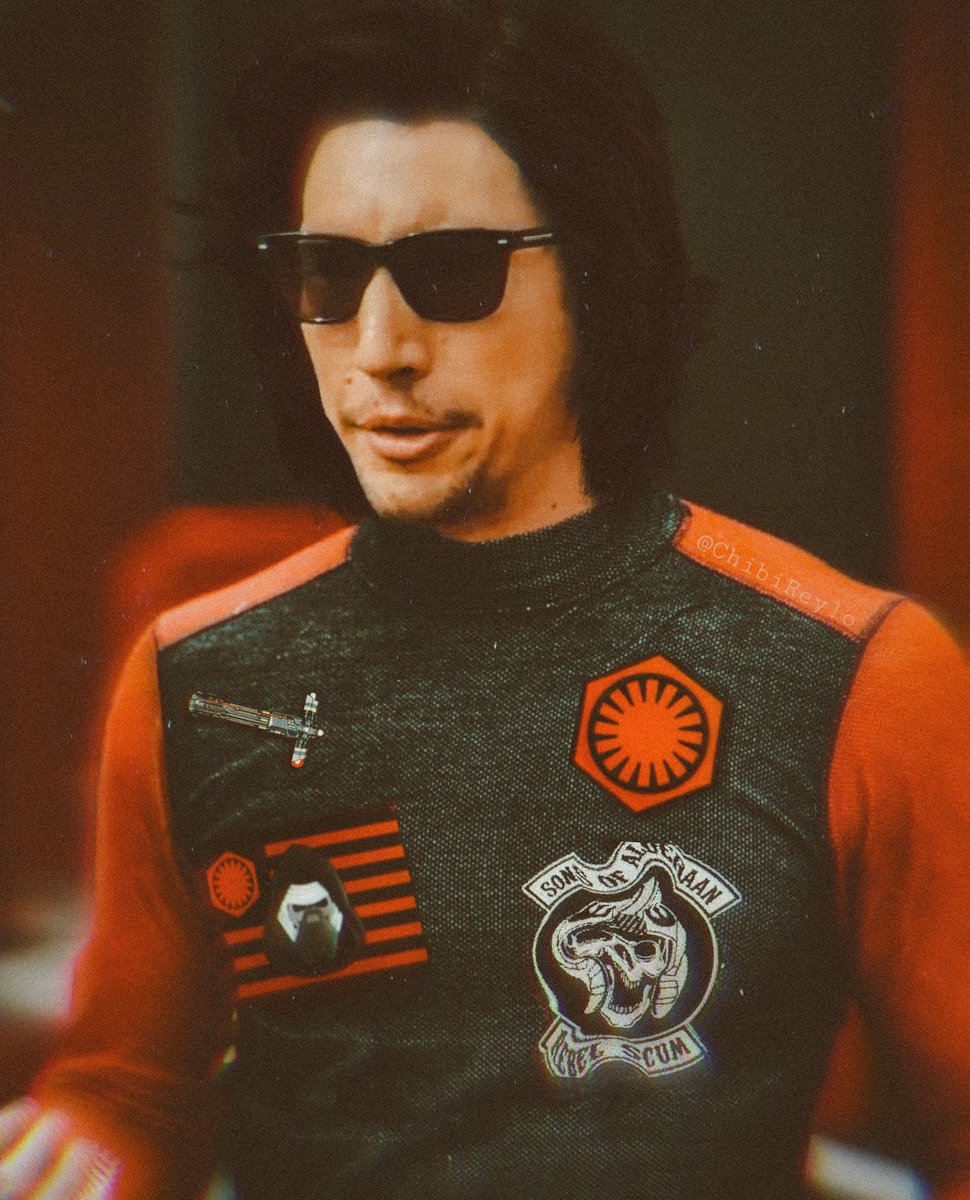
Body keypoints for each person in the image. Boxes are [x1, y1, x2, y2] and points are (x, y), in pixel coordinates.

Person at [2, 1, 968, 1197]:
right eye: (327, 274)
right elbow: (131, 1092)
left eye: (451, 272)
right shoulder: (195, 677)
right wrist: (86, 1143)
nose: (379, 347)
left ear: (596, 281)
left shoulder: (856, 673)